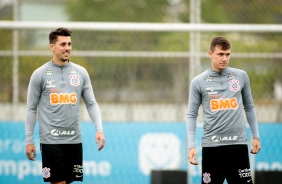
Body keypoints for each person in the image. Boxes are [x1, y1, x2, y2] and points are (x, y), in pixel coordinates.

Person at [25, 27, 105, 184]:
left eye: (69, 44)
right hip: (51, 141)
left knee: (69, 181)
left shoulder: (81, 72)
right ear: (52, 47)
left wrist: (99, 130)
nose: (67, 47)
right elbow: (31, 108)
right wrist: (29, 140)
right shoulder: (39, 74)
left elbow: (91, 103)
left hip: (75, 141)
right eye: (62, 44)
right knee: (58, 182)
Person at [186, 36, 261, 184]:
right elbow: (191, 115)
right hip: (212, 148)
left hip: (238, 146)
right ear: (210, 53)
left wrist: (256, 136)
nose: (224, 58)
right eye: (220, 54)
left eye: (227, 54)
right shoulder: (198, 82)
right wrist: (191, 146)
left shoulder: (241, 76)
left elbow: (249, 107)